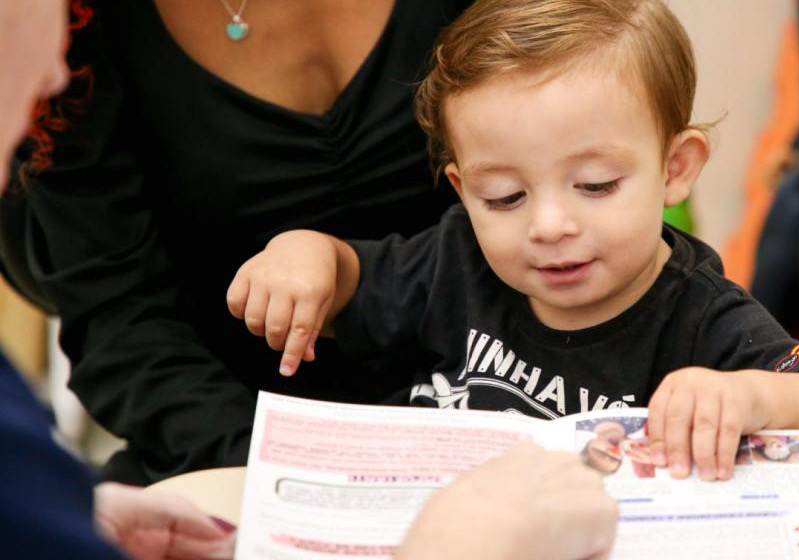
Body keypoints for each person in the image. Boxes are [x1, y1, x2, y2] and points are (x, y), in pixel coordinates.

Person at [2, 2, 617, 559]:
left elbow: (611, 199)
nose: (50, 79)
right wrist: (287, 481)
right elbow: (121, 320)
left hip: (507, 420)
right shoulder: (74, 28)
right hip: (225, 454)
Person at [228, 0, 799, 484]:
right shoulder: (459, 259)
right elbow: (349, 279)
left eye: (595, 185)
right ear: (462, 189)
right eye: (505, 198)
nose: (548, 226)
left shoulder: (699, 314)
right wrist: (307, 251)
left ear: (675, 169)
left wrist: (750, 397)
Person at [11, 0, 476, 485]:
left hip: (499, 392)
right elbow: (117, 317)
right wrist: (272, 475)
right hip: (224, 439)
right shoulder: (62, 24)